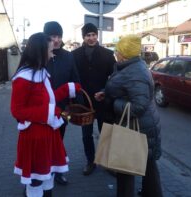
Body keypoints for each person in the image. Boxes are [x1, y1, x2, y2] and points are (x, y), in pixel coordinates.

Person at [10, 32, 81, 197]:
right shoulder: (23, 78)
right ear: (40, 52)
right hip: (34, 138)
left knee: (48, 177)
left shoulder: (41, 72)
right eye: (50, 50)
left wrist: (66, 89)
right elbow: (17, 111)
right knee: (36, 181)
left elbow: (46, 99)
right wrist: (52, 112)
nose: (52, 54)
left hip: (48, 134)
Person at [95, 35, 163, 197]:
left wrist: (113, 104)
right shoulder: (128, 66)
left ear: (125, 53)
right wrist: (106, 94)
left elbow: (138, 106)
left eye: (118, 50)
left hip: (138, 127)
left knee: (125, 166)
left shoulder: (135, 72)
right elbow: (126, 91)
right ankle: (152, 193)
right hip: (142, 125)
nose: (115, 53)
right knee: (148, 164)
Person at [72, 23, 116, 176]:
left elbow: (114, 77)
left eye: (93, 35)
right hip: (84, 104)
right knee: (86, 134)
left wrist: (105, 91)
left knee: (106, 133)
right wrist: (77, 98)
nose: (91, 38)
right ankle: (90, 161)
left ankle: (107, 162)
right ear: (83, 37)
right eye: (88, 35)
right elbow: (73, 78)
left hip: (103, 101)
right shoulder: (75, 54)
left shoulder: (108, 54)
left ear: (97, 35)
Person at [43, 21, 80, 185]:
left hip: (62, 108)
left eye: (58, 36)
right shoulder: (40, 55)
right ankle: (40, 175)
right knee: (43, 142)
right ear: (46, 37)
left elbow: (75, 80)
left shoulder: (68, 56)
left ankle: (57, 172)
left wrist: (76, 104)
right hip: (42, 109)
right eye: (52, 36)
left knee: (59, 141)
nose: (56, 40)